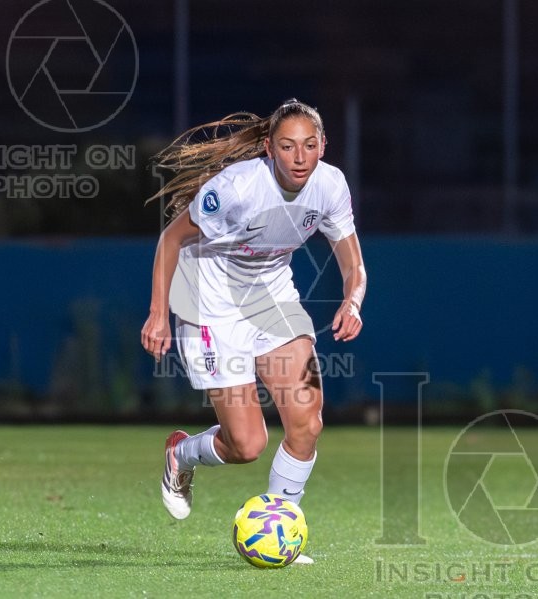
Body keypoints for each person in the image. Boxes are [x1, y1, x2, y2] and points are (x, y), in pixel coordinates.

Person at [141, 99, 366, 564]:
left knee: (307, 421)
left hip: (272, 299)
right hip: (209, 301)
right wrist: (158, 313)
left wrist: (352, 300)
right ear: (269, 149)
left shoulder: (330, 185)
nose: (300, 157)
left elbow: (353, 263)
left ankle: (279, 525)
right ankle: (181, 455)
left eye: (309, 145)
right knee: (247, 445)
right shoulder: (238, 187)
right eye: (287, 146)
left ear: (324, 145)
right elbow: (171, 238)